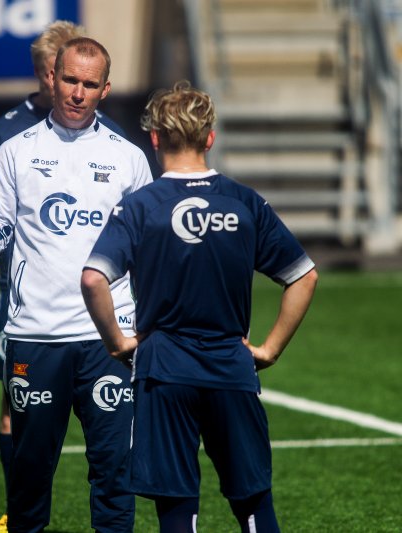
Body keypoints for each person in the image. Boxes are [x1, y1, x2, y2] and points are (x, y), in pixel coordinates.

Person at [81, 81, 318, 532]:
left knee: (177, 505)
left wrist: (117, 344)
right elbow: (303, 276)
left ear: (154, 139)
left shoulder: (139, 206)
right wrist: (269, 350)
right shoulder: (245, 203)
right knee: (252, 500)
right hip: (231, 366)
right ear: (210, 138)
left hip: (163, 368)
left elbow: (94, 279)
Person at [0, 37, 153, 533]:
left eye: (89, 84)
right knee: (31, 475)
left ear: (105, 89)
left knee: (114, 474)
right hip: (37, 336)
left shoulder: (129, 158)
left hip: (110, 340)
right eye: (69, 81)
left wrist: (150, 326)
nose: (77, 93)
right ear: (51, 79)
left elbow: (149, 251)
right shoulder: (16, 151)